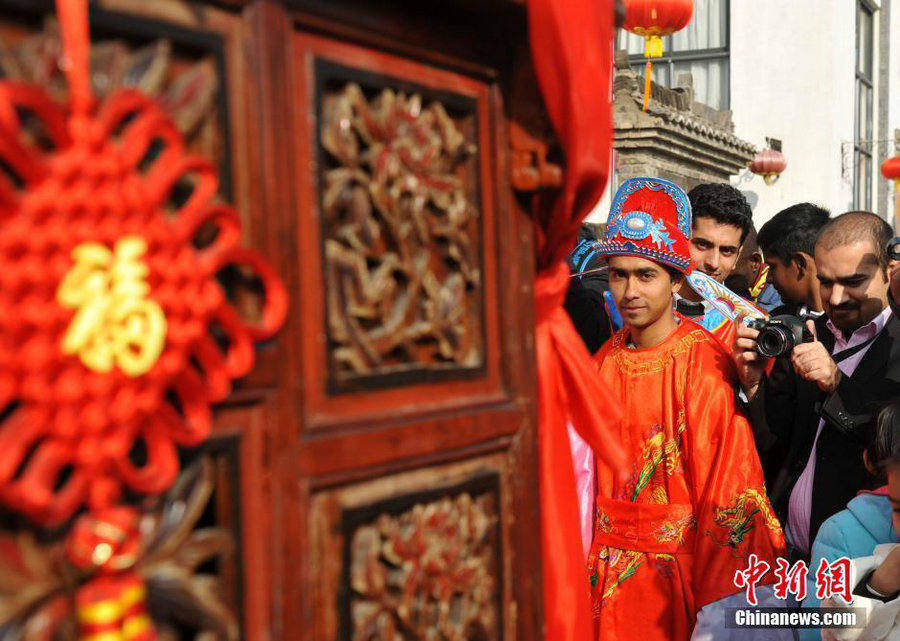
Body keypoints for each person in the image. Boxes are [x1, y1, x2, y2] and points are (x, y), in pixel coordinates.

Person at [587, 177, 784, 641]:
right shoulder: (602, 360)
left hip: (675, 579)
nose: (630, 291)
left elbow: (726, 488)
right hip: (601, 571)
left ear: (677, 279)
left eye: (646, 275)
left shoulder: (703, 362)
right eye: (618, 274)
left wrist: (717, 604)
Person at [734, 211, 900, 566]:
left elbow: (886, 452)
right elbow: (776, 443)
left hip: (862, 564)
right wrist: (753, 383)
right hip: (785, 554)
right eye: (826, 282)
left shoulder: (896, 345)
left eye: (853, 282)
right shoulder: (809, 333)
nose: (836, 298)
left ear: (889, 270)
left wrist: (836, 383)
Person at [803, 400, 900, 641]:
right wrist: (875, 588)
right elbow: (816, 631)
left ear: (868, 460)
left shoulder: (838, 531)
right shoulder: (842, 533)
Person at [675, 183, 756, 347]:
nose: (713, 263)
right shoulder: (634, 310)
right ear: (679, 241)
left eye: (727, 251)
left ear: (738, 256)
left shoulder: (752, 324)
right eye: (702, 245)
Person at [756, 203, 831, 316]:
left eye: (772, 267)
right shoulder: (777, 320)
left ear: (800, 263)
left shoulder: (852, 322)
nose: (768, 279)